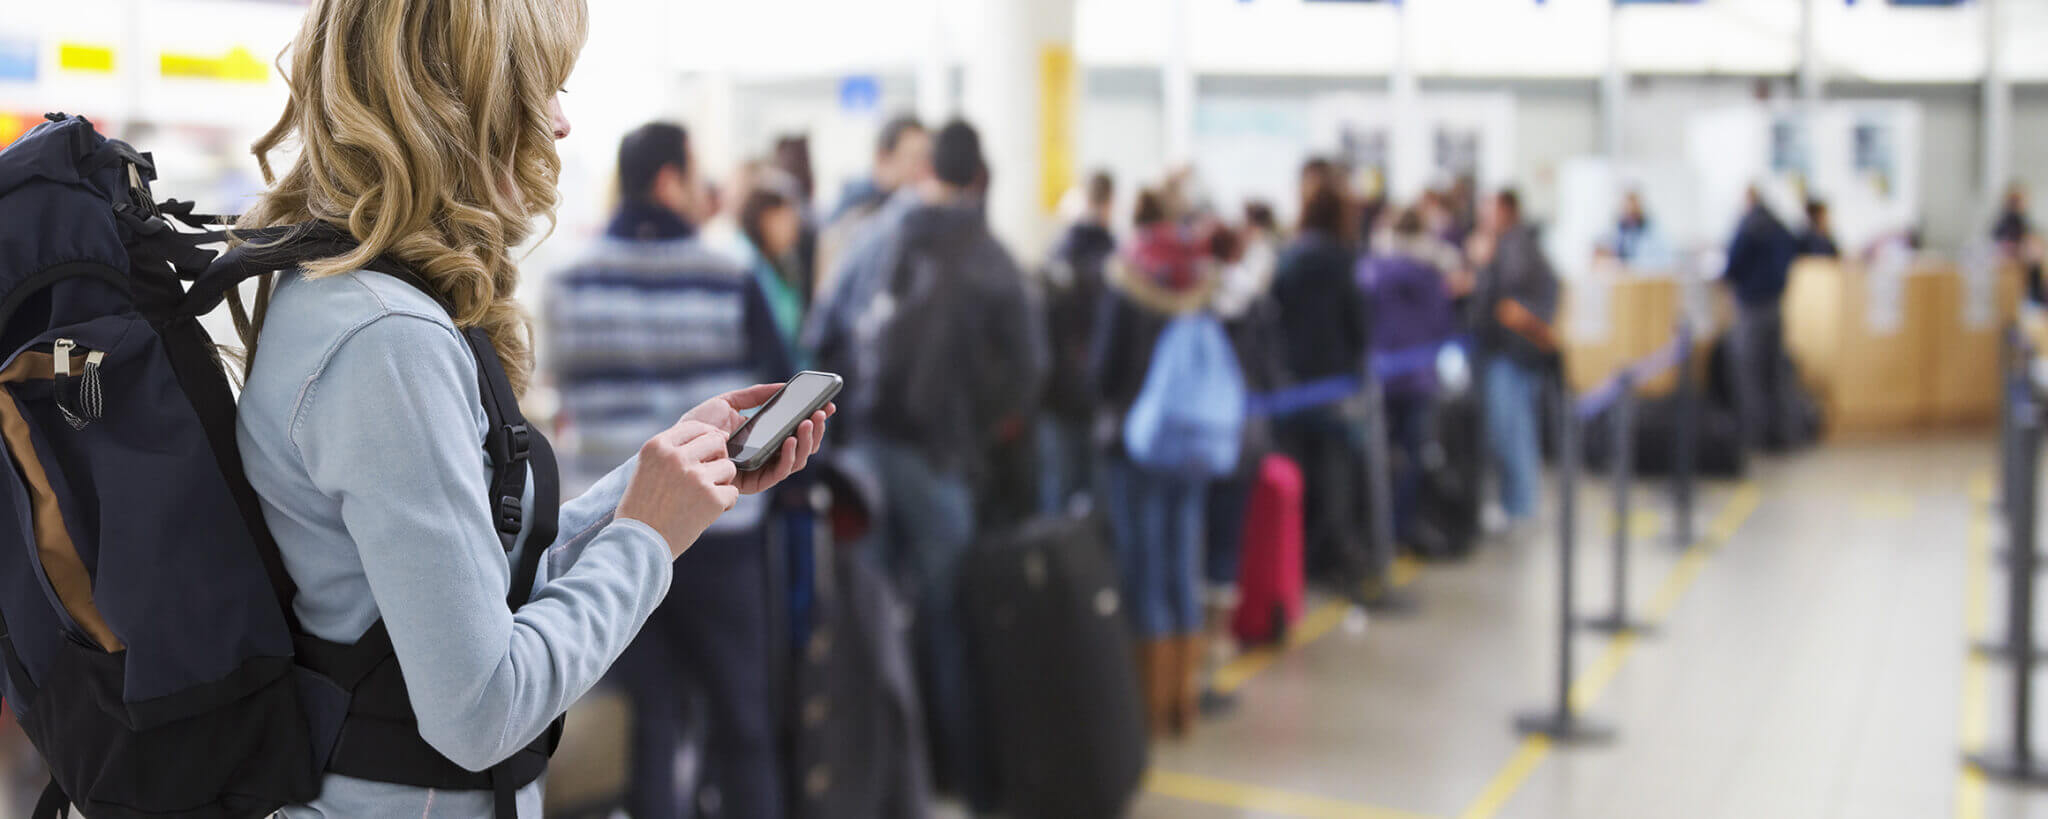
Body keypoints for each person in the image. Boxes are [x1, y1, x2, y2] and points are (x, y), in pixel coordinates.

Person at [229, 5, 830, 818]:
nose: (560, 121)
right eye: (542, 87)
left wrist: (652, 490)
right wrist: (647, 539)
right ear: (460, 99)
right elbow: (482, 709)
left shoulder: (345, 298)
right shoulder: (389, 340)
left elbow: (475, 585)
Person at [543, 122, 806, 819]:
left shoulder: (568, 280)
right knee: (741, 719)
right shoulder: (729, 274)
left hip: (615, 529)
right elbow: (779, 390)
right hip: (720, 530)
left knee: (647, 726)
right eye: (695, 176)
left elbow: (561, 391)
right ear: (668, 181)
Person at [858, 120, 1046, 802]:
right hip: (940, 459)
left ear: (930, 170)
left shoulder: (886, 239)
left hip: (871, 448)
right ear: (980, 178)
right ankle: (959, 773)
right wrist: (981, 431)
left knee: (876, 617)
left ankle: (883, 776)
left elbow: (838, 330)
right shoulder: (990, 256)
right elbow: (1029, 368)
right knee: (949, 618)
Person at [1092, 188, 1223, 739]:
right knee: (1182, 566)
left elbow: (1103, 370)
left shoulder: (1128, 278)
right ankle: (1183, 705)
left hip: (1135, 446)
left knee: (1142, 569)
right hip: (1191, 445)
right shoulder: (1199, 279)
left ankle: (1148, 707)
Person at [1271, 182, 1371, 584]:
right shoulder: (1343, 261)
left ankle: (1299, 558)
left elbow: (1275, 315)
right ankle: (1331, 554)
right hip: (1333, 383)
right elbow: (1357, 322)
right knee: (1335, 477)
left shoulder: (1289, 258)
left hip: (1294, 383)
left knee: (1300, 475)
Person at [1359, 207, 1458, 553]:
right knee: (1413, 457)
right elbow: (1442, 325)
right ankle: (1403, 525)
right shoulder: (1431, 274)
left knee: (1377, 457)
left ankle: (1375, 528)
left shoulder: (1371, 271)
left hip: (1380, 377)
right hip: (1418, 378)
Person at [1470, 188, 1559, 530]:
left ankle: (1518, 505)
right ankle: (1518, 503)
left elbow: (1503, 296)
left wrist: (1483, 266)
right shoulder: (1522, 244)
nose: (1483, 214)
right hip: (1516, 353)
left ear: (1506, 210)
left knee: (1510, 431)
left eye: (1489, 208)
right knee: (1515, 429)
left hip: (1512, 352)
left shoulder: (1512, 246)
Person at [1038, 170, 1119, 512]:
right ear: (1109, 204)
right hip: (1101, 390)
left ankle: (1054, 546)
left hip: (1057, 391)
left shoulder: (1056, 255)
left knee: (1057, 484)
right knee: (1100, 489)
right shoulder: (1117, 260)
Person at [814, 115, 931, 297]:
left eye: (927, 159)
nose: (922, 169)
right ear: (882, 158)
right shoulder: (851, 218)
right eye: (914, 158)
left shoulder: (921, 217)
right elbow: (829, 297)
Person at [1721, 186, 1800, 450]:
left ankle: (1755, 437)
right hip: (1776, 306)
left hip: (1751, 308)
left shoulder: (1747, 227)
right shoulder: (1779, 226)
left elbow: (1732, 265)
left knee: (1749, 375)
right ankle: (1784, 435)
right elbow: (1795, 249)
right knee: (1777, 374)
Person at [733, 163, 811, 360]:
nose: (795, 226)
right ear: (765, 218)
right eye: (787, 216)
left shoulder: (781, 264)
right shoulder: (745, 264)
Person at [1993, 183, 2044, 303]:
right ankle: (2034, 297)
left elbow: (2032, 236)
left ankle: (2035, 297)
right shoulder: (2005, 220)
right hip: (2010, 257)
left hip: (2024, 256)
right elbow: (1998, 240)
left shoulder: (2023, 220)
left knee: (2035, 258)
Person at [1602, 190, 1675, 270]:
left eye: (1633, 212)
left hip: (1645, 273)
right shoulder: (1617, 231)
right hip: (1621, 274)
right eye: (1626, 210)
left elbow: (1664, 259)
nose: (1629, 214)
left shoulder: (1654, 232)